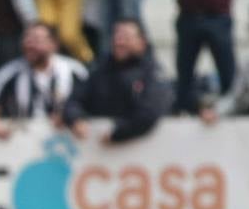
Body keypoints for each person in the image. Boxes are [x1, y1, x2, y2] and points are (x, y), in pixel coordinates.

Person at [64, 17, 171, 145]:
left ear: (141, 42)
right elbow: (74, 100)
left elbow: (150, 112)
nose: (119, 42)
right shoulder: (100, 69)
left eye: (126, 37)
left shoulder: (153, 73)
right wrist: (75, 118)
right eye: (117, 36)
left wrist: (118, 133)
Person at [0, 23, 87, 139]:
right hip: (23, 142)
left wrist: (73, 118)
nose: (29, 44)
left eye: (36, 40)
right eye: (26, 39)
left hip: (66, 144)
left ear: (54, 44)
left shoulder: (74, 71)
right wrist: (0, 131)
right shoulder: (10, 72)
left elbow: (90, 104)